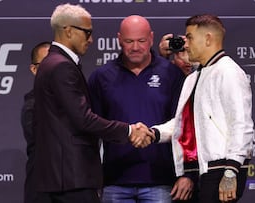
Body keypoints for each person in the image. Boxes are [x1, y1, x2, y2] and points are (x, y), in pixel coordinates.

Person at [33, 4, 154, 203]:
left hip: (62, 176)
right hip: (71, 177)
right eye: (87, 32)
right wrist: (129, 131)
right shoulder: (61, 66)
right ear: (69, 31)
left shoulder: (52, 62)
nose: (91, 39)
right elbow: (84, 119)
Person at [88, 15, 196, 203]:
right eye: (129, 41)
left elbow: (184, 127)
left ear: (152, 39)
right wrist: (92, 180)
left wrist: (188, 174)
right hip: (114, 181)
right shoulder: (101, 77)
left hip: (161, 181)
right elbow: (92, 132)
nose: (135, 47)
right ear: (119, 39)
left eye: (141, 41)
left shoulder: (172, 74)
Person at [151, 14, 254, 203]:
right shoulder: (195, 76)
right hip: (200, 170)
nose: (186, 44)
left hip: (220, 169)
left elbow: (242, 125)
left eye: (189, 37)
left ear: (208, 39)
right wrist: (154, 133)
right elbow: (187, 123)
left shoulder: (228, 72)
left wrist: (231, 172)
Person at [20, 41, 51, 203]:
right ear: (34, 69)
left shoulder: (78, 101)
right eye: (46, 65)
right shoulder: (32, 107)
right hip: (42, 189)